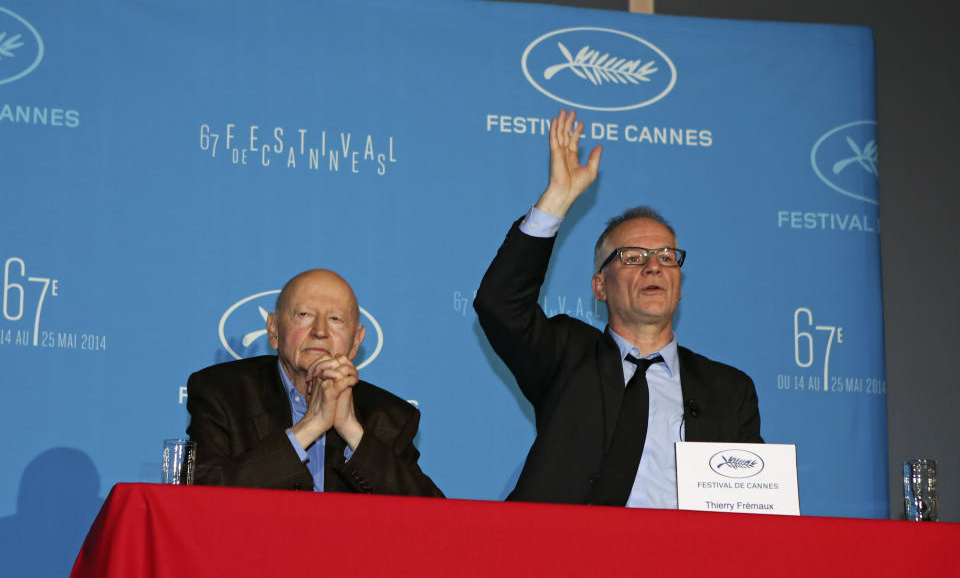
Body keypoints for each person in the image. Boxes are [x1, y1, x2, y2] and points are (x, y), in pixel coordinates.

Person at [474, 109, 761, 508]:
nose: (654, 265)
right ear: (599, 286)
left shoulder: (729, 391)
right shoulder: (566, 357)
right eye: (632, 256)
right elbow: (499, 303)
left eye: (666, 255)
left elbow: (756, 509)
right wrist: (557, 198)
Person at [186, 269, 443, 497]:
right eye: (304, 314)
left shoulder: (390, 417)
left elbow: (433, 517)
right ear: (274, 330)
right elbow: (198, 495)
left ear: (356, 341)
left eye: (335, 320)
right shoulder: (221, 393)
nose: (320, 331)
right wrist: (310, 426)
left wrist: (352, 431)